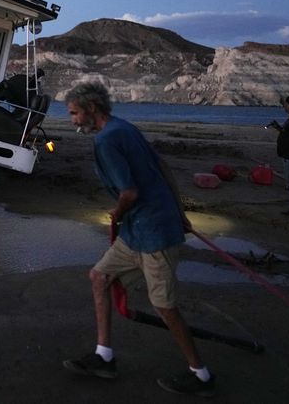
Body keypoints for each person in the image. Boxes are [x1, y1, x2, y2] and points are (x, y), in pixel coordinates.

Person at [62, 82, 215, 397]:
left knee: (165, 307)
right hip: (138, 232)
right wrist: (179, 210)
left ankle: (201, 375)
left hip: (154, 234)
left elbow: (129, 192)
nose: (73, 121)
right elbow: (162, 167)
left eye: (75, 113)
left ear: (92, 108)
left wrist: (117, 213)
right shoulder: (124, 128)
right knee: (99, 277)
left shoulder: (106, 140)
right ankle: (104, 357)